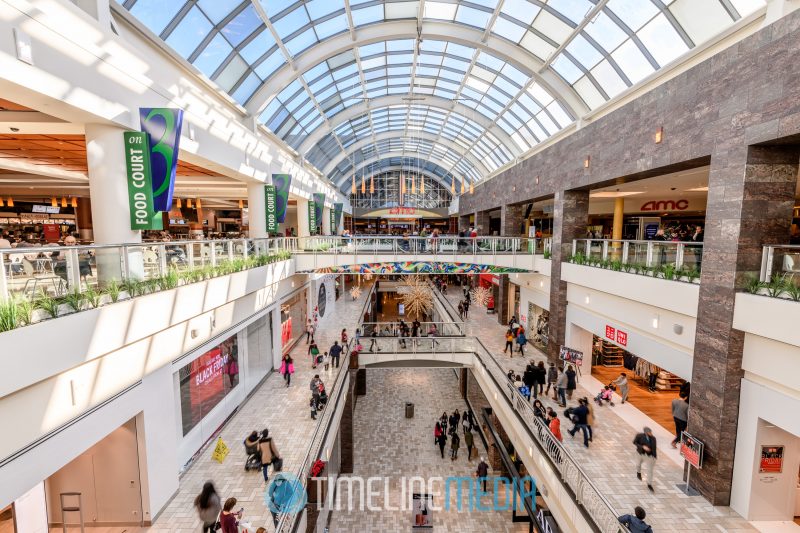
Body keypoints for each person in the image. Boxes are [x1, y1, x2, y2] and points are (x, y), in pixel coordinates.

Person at [633, 427, 657, 492]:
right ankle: (638, 473)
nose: (651, 433)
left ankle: (649, 484)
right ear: (646, 432)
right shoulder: (639, 436)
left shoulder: (653, 438)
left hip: (649, 456)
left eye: (651, 432)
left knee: (650, 470)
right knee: (638, 464)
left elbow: (654, 448)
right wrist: (642, 447)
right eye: (649, 432)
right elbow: (634, 442)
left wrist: (654, 457)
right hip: (640, 454)